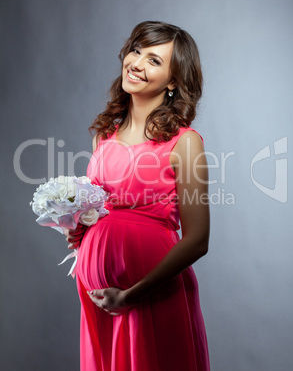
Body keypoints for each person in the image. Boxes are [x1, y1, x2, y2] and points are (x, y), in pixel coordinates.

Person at [65, 20, 210, 371]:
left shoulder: (185, 142)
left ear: (174, 81)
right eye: (136, 51)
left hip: (148, 295)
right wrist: (79, 230)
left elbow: (198, 240)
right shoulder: (105, 136)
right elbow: (100, 210)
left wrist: (131, 294)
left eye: (155, 60)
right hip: (100, 300)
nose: (137, 63)